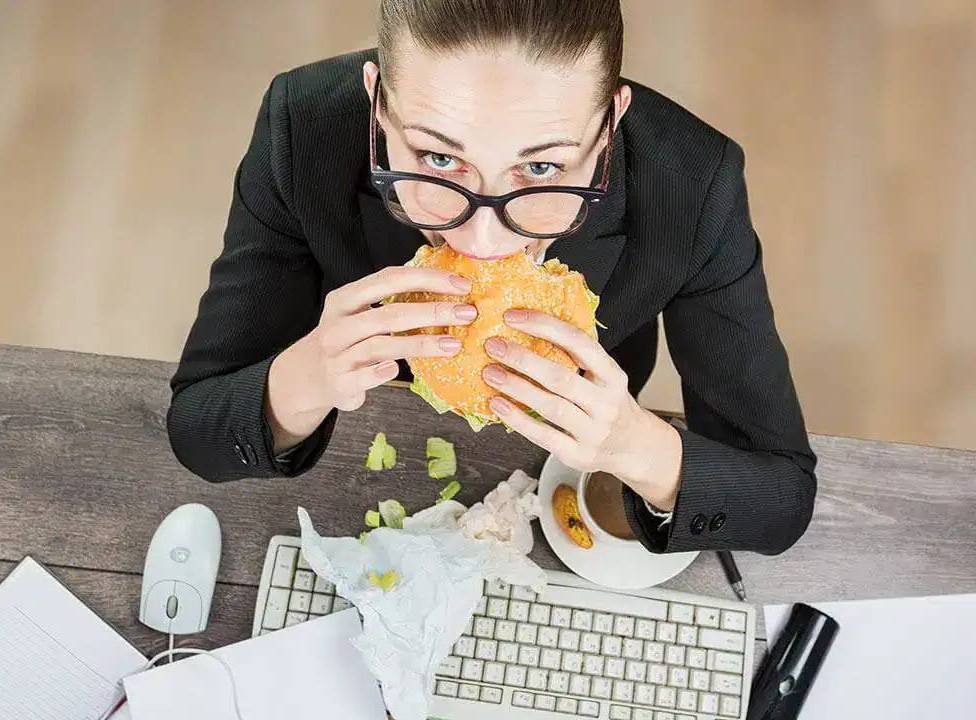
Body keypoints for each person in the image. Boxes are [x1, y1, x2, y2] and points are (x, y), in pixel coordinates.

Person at [167, 0, 816, 556]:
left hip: (573, 451)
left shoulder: (693, 185)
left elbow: (782, 496)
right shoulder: (301, 127)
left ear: (609, 127)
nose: (481, 241)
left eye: (540, 171)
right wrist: (303, 378)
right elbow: (196, 427)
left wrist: (632, 443)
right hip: (362, 444)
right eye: (438, 158)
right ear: (377, 105)